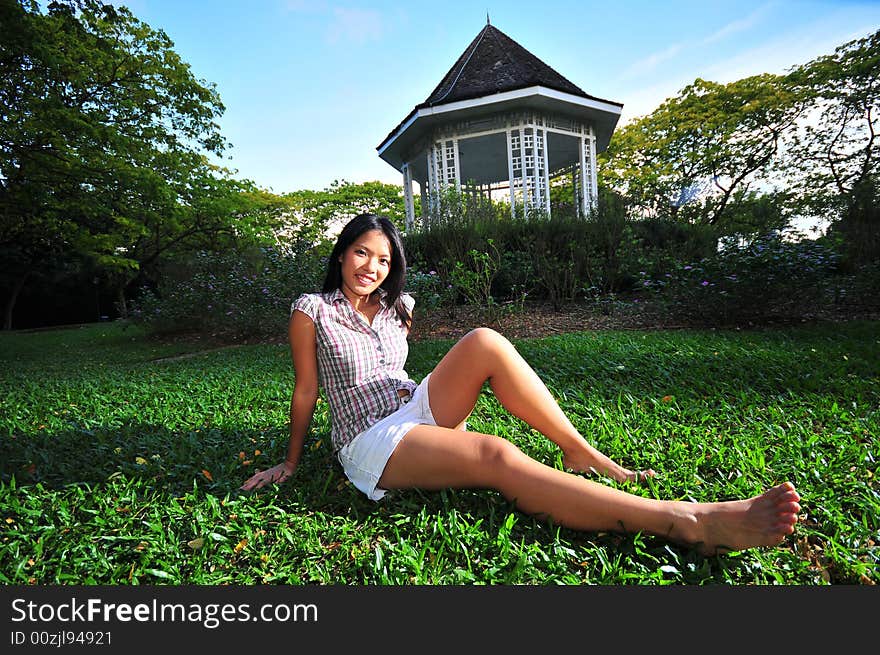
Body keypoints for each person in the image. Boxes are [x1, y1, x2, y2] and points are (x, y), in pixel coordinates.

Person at [241, 213, 800, 555]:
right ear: (342, 253)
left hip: (412, 405)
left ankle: (579, 451)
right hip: (371, 440)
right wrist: (291, 464)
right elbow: (307, 392)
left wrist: (425, 402)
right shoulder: (312, 310)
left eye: (384, 259)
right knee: (494, 454)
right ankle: (689, 520)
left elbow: (406, 369)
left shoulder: (400, 307)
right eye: (362, 252)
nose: (372, 266)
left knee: (485, 339)